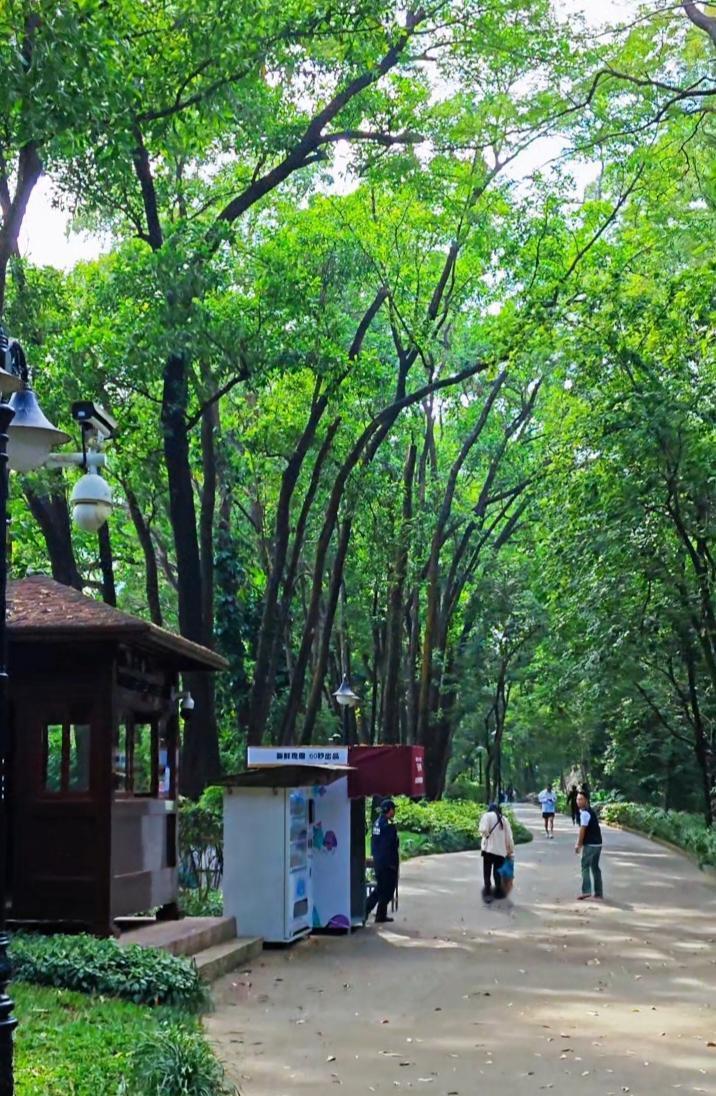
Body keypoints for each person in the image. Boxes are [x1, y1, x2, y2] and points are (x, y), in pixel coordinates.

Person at [366, 798, 400, 923]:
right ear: (389, 810)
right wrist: (391, 864)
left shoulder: (377, 823)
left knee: (382, 888)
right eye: (393, 809)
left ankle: (380, 914)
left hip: (379, 862)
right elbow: (391, 846)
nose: (394, 811)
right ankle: (367, 909)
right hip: (387, 864)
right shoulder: (388, 826)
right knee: (385, 889)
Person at [479, 802, 515, 903]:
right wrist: (510, 850)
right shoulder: (504, 820)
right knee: (497, 871)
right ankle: (498, 890)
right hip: (501, 851)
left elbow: (483, 829)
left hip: (488, 849)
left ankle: (487, 890)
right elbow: (509, 838)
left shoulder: (487, 816)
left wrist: (486, 836)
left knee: (487, 870)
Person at [575, 790, 603, 900]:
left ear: (586, 800)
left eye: (581, 799)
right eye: (577, 799)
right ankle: (598, 892)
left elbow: (583, 830)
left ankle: (586, 890)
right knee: (595, 867)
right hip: (598, 844)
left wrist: (579, 844)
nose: (578, 801)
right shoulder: (590, 812)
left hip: (591, 845)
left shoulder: (585, 813)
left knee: (585, 866)